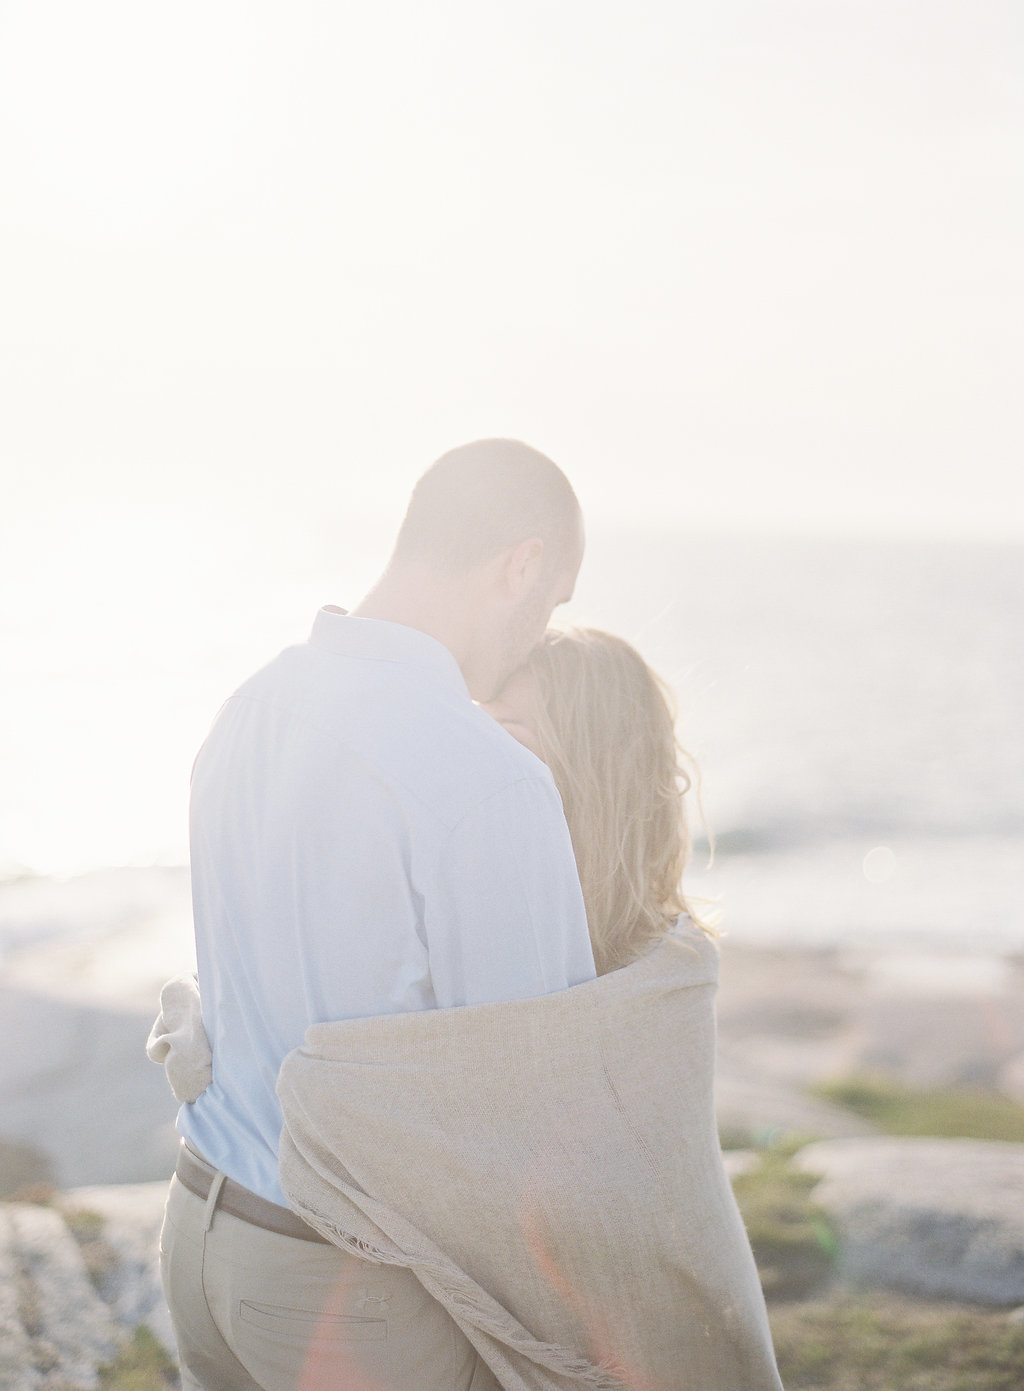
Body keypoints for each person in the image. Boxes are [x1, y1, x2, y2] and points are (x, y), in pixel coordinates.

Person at [153, 625, 785, 1389]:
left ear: (598, 767)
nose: (478, 745)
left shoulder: (660, 975)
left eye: (512, 731)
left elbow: (652, 1213)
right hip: (305, 1264)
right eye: (479, 718)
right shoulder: (454, 876)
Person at [157, 439, 596, 1391]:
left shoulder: (248, 707)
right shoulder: (485, 778)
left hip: (201, 1236)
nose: (535, 638)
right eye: (550, 604)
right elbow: (531, 1105)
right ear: (519, 565)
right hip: (343, 1288)